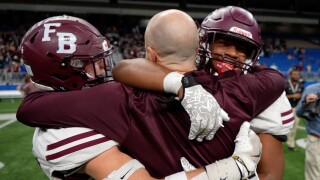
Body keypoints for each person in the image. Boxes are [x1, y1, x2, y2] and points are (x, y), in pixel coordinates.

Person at [17, 9, 285, 179]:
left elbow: (31, 108)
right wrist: (234, 168)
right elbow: (275, 78)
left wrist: (176, 84)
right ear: (198, 46)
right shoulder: (246, 89)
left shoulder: (118, 97)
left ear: (150, 54)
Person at [112, 6, 294, 179]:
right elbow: (125, 68)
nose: (233, 53)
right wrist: (182, 85)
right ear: (203, 43)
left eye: (242, 49)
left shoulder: (258, 90)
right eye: (224, 43)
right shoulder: (181, 69)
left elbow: (271, 175)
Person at [296, 83, 320, 180]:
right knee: (314, 177)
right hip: (316, 139)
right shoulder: (312, 89)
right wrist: (305, 103)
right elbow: (299, 112)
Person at [285, 69, 305, 151]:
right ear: (290, 75)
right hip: (285, 108)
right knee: (282, 126)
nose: (296, 76)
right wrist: (293, 96)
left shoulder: (301, 85)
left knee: (294, 127)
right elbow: (280, 97)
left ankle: (291, 144)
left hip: (296, 108)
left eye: (297, 74)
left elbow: (303, 96)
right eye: (294, 74)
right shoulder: (285, 84)